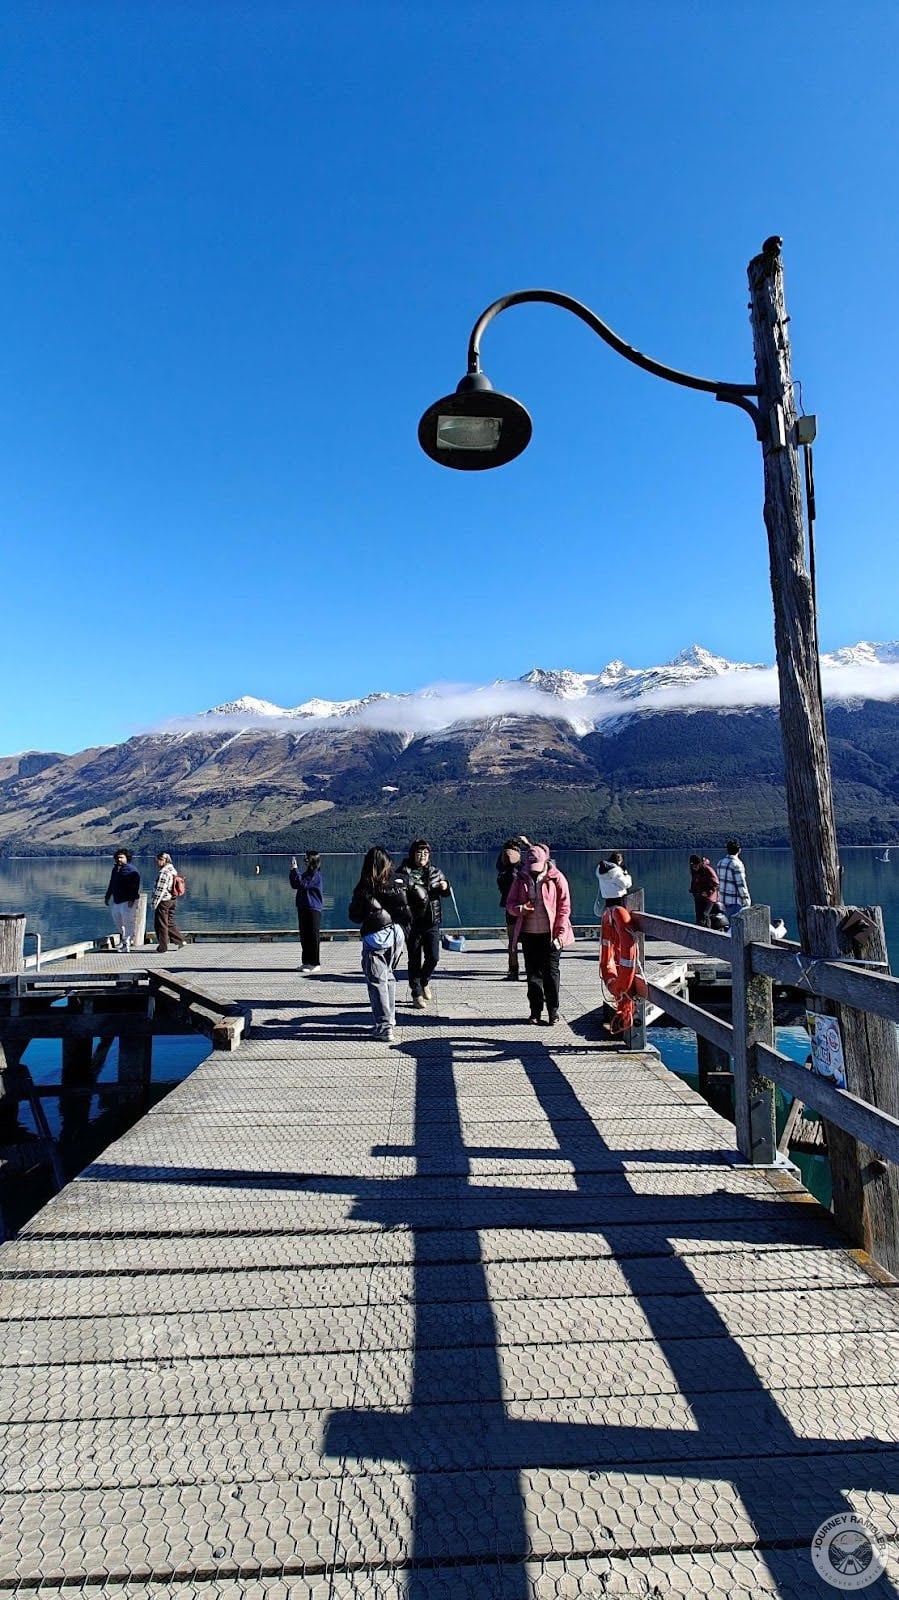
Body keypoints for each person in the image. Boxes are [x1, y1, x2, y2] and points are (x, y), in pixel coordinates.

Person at [506, 842, 574, 1025]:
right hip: (529, 934)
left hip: (551, 934)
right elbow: (510, 904)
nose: (533, 870)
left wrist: (560, 934)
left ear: (545, 861)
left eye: (537, 866)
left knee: (551, 974)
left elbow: (564, 908)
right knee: (533, 974)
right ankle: (535, 1011)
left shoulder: (557, 878)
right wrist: (520, 909)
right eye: (531, 866)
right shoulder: (520, 878)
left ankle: (553, 1011)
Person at [348, 847, 411, 1042]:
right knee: (389, 977)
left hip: (376, 937)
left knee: (377, 981)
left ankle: (384, 1026)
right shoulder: (400, 882)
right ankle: (390, 1019)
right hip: (397, 935)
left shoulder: (365, 887)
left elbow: (355, 916)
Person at [394, 839, 451, 1010]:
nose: (423, 856)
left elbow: (446, 892)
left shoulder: (435, 872)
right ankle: (416, 993)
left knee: (433, 957)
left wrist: (445, 886)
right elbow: (396, 894)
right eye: (419, 853)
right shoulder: (403, 872)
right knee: (414, 959)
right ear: (412, 854)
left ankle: (424, 980)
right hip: (412, 923)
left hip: (431, 921)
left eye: (426, 853)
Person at [496, 838, 526, 979]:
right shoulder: (523, 869)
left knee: (512, 941)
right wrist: (527, 844)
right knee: (525, 940)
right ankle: (528, 969)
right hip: (523, 908)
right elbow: (540, 857)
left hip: (511, 908)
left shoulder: (503, 870)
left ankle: (513, 970)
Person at [290, 850, 324, 972]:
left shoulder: (315, 875)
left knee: (313, 936)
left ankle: (315, 963)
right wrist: (293, 870)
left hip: (313, 908)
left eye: (307, 859)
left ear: (313, 860)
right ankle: (306, 962)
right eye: (305, 859)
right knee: (304, 936)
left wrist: (295, 870)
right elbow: (295, 884)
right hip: (303, 907)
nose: (305, 861)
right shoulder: (306, 874)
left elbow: (303, 884)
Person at [104, 849, 141, 953]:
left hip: (127, 900)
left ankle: (127, 944)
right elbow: (112, 883)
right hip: (117, 900)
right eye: (118, 857)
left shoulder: (132, 870)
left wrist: (131, 899)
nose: (119, 859)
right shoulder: (115, 869)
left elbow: (135, 885)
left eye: (122, 857)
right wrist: (107, 896)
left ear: (127, 858)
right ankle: (124, 939)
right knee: (118, 920)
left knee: (128, 921)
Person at [151, 851, 186, 954]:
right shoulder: (172, 870)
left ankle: (163, 946)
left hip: (164, 901)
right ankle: (180, 940)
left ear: (164, 860)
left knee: (161, 924)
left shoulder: (164, 872)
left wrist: (154, 903)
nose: (157, 862)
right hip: (172, 900)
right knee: (169, 921)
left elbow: (160, 889)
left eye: (158, 860)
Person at [716, 840, 751, 924]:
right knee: (736, 929)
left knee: (726, 927)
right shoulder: (737, 864)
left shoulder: (720, 863)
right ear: (739, 850)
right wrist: (746, 900)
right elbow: (741, 884)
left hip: (723, 900)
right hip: (734, 902)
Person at [688, 854, 720, 927]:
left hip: (709, 897)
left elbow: (716, 883)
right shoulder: (694, 871)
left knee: (705, 915)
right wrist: (693, 891)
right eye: (693, 867)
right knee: (699, 918)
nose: (694, 868)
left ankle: (708, 932)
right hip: (699, 896)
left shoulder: (707, 869)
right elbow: (694, 882)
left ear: (699, 864)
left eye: (695, 866)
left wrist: (708, 892)